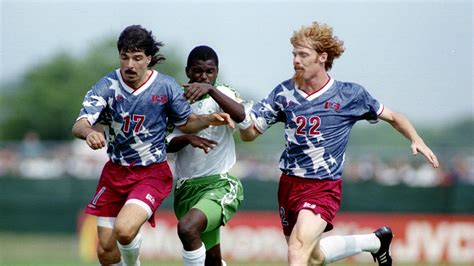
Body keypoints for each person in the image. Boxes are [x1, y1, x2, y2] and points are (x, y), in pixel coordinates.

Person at [239, 21, 439, 266]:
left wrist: (416, 139)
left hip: (323, 186)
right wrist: (237, 119)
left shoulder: (350, 95)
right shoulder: (283, 93)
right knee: (312, 257)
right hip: (289, 184)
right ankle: (375, 242)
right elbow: (248, 135)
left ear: (322, 57)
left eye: (303, 54)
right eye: (294, 54)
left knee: (297, 251)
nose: (296, 60)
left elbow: (394, 117)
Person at [72, 26, 233, 266]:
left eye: (137, 58)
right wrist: (89, 133)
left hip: (151, 173)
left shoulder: (165, 87)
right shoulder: (107, 86)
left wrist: (208, 120)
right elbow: (80, 123)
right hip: (115, 173)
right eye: (125, 57)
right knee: (105, 251)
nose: (130, 64)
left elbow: (187, 123)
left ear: (148, 59)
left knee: (125, 230)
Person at [166, 45, 250, 266]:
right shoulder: (176, 101)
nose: (203, 77)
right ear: (187, 72)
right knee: (211, 261)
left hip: (219, 185)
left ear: (216, 72)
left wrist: (211, 90)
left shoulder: (224, 94)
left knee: (187, 228)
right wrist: (188, 138)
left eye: (209, 72)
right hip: (186, 189)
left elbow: (243, 117)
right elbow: (163, 144)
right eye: (197, 71)